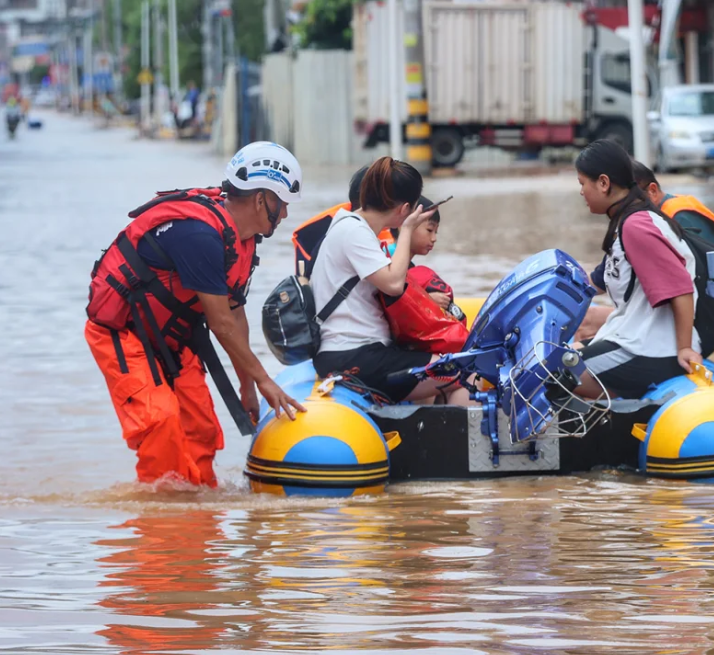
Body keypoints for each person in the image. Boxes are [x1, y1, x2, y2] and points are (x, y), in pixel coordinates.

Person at [85, 142, 307, 487]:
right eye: (282, 205)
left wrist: (247, 386)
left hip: (173, 336)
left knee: (200, 428)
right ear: (262, 199)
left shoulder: (242, 239)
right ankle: (160, 526)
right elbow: (219, 323)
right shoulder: (200, 235)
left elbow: (235, 315)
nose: (285, 215)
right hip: (124, 333)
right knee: (161, 423)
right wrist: (265, 380)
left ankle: (200, 524)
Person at [310, 157, 472, 405]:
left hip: (361, 352)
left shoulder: (352, 227)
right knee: (462, 374)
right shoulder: (353, 231)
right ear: (405, 209)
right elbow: (394, 284)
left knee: (436, 373)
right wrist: (407, 230)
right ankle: (463, 444)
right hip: (353, 355)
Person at [572, 139, 702, 400]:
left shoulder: (636, 226)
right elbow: (597, 280)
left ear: (604, 183)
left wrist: (685, 348)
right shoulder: (631, 219)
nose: (581, 192)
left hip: (652, 351)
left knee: (546, 373)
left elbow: (681, 290)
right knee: (563, 354)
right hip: (639, 341)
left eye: (582, 183)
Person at [630, 160, 714, 259]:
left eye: (630, 202)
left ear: (652, 191)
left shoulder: (679, 216)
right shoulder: (669, 208)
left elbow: (706, 265)